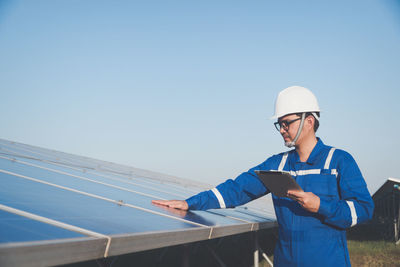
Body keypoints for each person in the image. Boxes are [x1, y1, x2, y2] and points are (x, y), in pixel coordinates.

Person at [152, 86, 374, 267]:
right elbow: (237, 189)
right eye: (279, 124)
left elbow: (364, 209)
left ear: (309, 120)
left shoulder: (339, 161)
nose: (281, 129)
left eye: (287, 122)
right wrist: (190, 203)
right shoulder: (277, 164)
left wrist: (321, 205)